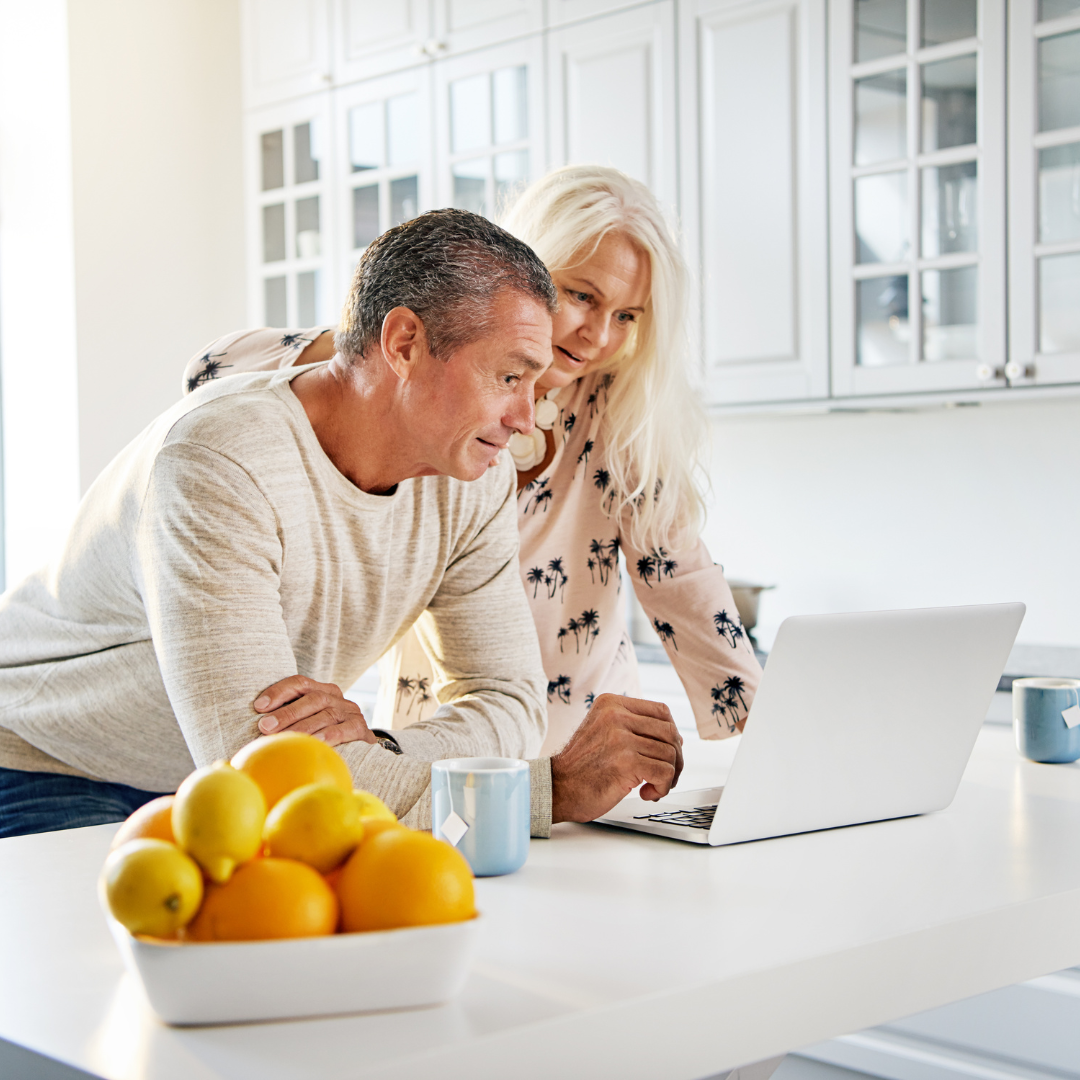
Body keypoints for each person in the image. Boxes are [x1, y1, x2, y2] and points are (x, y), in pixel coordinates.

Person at [0, 208, 685, 839]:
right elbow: (270, 770)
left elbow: (511, 705)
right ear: (406, 342)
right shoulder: (221, 460)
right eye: (508, 376)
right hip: (48, 765)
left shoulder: (474, 479)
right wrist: (549, 792)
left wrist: (375, 750)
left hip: (206, 787)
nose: (522, 414)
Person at [184, 167, 762, 756]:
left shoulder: (619, 415)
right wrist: (385, 347)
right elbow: (212, 367)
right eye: (583, 296)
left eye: (627, 316)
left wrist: (769, 731)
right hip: (436, 738)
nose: (597, 336)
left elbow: (681, 576)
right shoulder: (418, 386)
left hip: (582, 749)